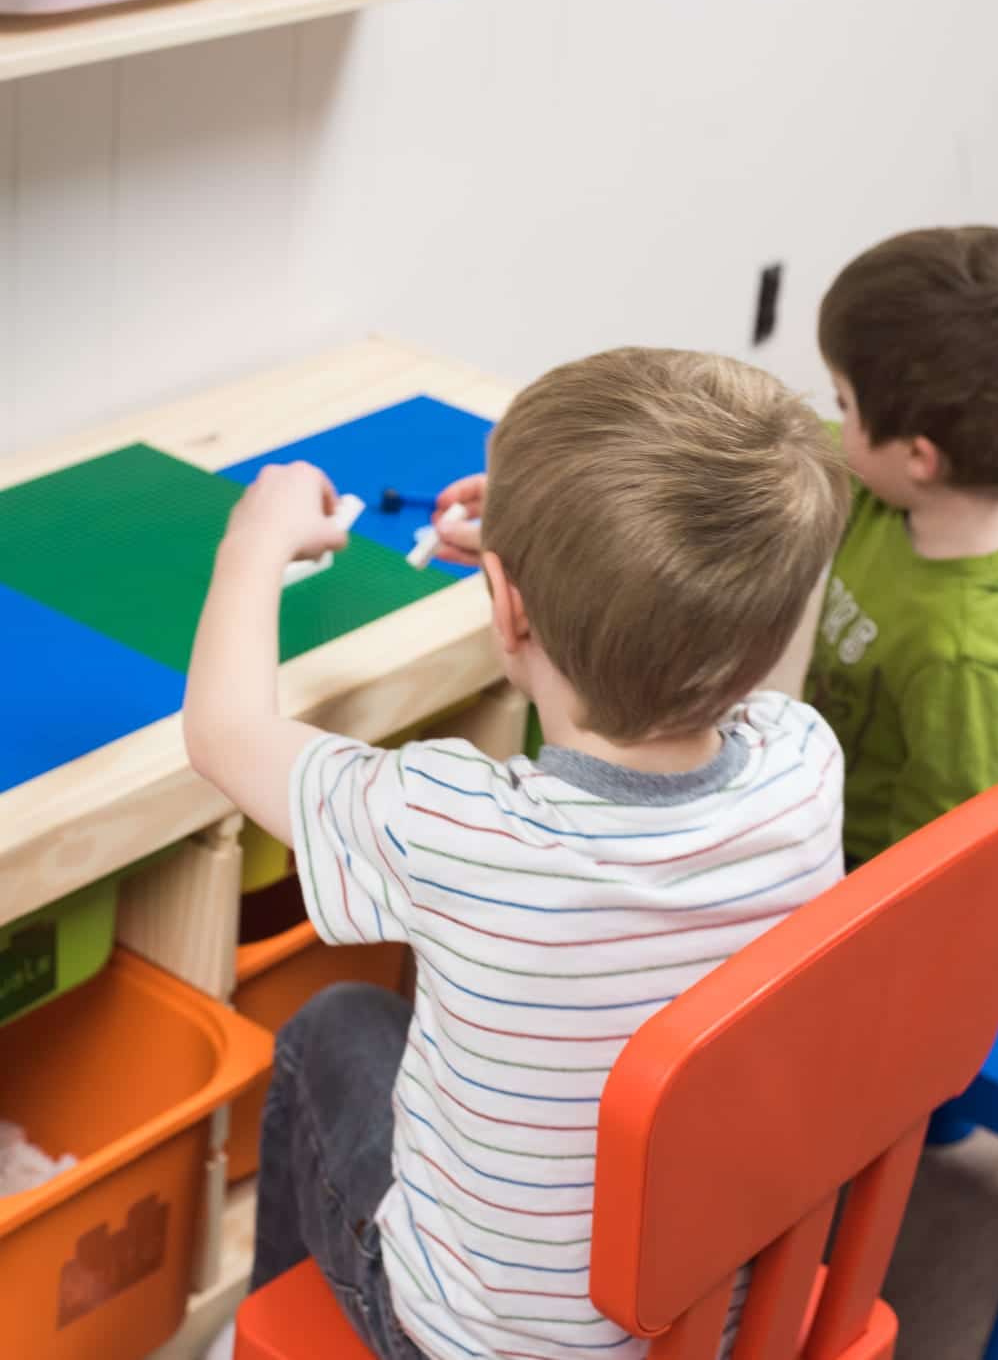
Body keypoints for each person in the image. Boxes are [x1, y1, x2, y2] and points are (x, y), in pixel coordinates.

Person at [185, 346, 849, 1360]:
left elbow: (223, 731)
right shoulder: (804, 761)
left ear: (504, 610)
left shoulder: (456, 829)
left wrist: (253, 539)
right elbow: (718, 630)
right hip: (722, 1316)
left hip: (476, 1342)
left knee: (336, 1022)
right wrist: (564, 550)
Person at [801, 227, 998, 867]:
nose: (834, 420)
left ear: (919, 455)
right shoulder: (889, 487)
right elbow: (774, 449)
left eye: (844, 403)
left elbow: (933, 870)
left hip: (844, 876)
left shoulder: (961, 657)